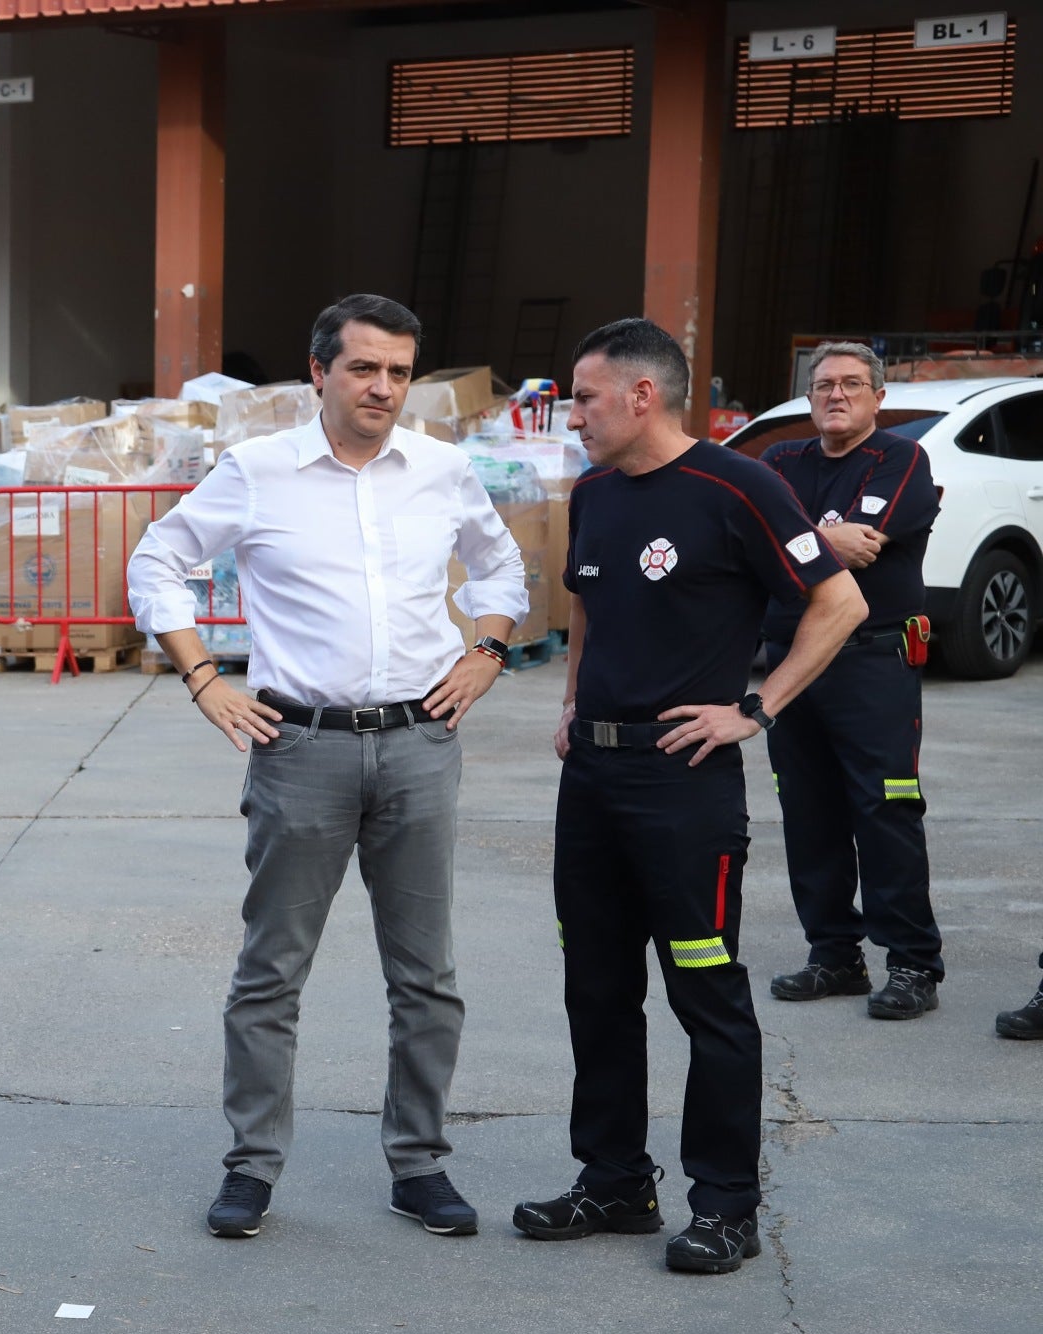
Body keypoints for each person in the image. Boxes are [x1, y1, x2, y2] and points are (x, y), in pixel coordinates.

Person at [125, 293, 528, 1243]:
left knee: (427, 974)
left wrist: (488, 651)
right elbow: (158, 559)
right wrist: (202, 679)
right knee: (272, 972)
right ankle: (252, 1168)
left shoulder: (441, 470)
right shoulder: (259, 473)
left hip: (421, 747)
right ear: (320, 372)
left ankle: (420, 1164)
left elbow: (502, 568)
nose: (383, 387)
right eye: (363, 368)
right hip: (297, 748)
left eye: (398, 371)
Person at [513, 317, 866, 1275]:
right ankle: (614, 1180)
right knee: (596, 987)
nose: (572, 413)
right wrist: (575, 699)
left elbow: (840, 602)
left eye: (584, 396)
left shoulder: (738, 486)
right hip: (592, 778)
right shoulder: (591, 493)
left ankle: (726, 1205)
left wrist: (755, 709)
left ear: (642, 396)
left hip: (684, 786)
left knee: (705, 993)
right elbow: (587, 604)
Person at [756, 341, 945, 1021]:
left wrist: (797, 538)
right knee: (808, 811)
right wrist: (824, 537)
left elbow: (867, 540)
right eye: (825, 384)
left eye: (852, 385)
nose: (836, 395)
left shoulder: (901, 459)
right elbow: (761, 538)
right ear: (809, 396)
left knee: (885, 810)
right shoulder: (779, 460)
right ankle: (834, 955)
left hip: (872, 661)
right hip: (791, 662)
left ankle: (913, 963)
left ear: (877, 398)